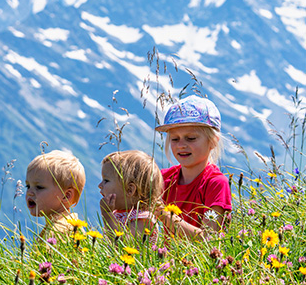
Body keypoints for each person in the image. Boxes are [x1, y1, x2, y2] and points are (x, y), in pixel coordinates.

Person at [155, 95, 232, 238]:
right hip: (166, 258)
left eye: (191, 138)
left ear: (213, 141)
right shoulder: (163, 178)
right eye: (174, 139)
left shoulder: (216, 184)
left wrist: (165, 215)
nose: (181, 145)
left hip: (199, 260)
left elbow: (209, 238)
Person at [99, 150, 163, 241]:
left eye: (106, 180)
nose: (100, 185)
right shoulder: (118, 214)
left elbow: (123, 246)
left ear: (130, 190)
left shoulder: (143, 220)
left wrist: (107, 215)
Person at [25, 150, 86, 238]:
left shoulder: (60, 230)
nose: (29, 193)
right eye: (28, 186)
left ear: (66, 196)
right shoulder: (57, 225)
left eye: (39, 187)